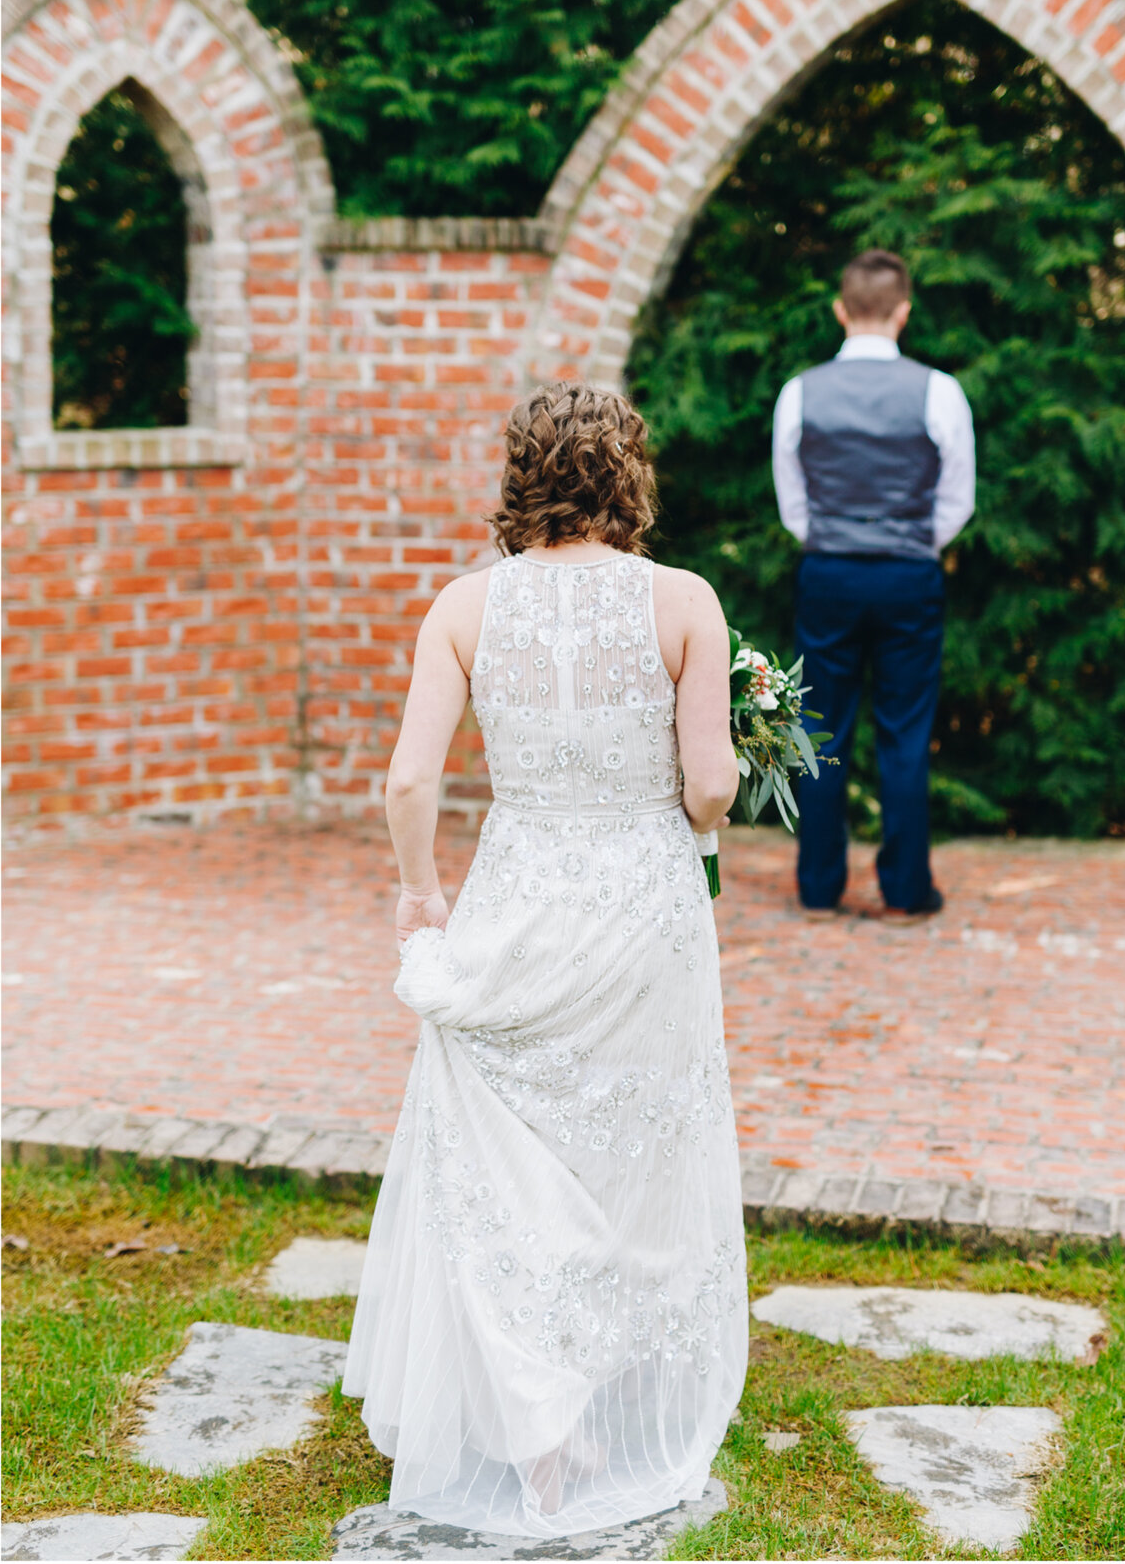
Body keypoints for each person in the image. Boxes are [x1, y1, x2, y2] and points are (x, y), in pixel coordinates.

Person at [346, 385, 747, 1538]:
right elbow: (711, 786)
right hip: (640, 908)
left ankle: (541, 1426)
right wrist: (698, 785)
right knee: (632, 1151)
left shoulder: (463, 607)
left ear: (520, 477)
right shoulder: (683, 600)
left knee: (511, 1159)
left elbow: (409, 781)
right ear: (628, 475)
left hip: (518, 898)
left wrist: (424, 892)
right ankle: (597, 1399)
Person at [772, 249, 975, 923]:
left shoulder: (800, 391)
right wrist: (915, 541)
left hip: (827, 569)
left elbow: (791, 503)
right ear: (903, 311)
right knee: (906, 731)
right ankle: (908, 891)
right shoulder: (939, 390)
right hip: (909, 572)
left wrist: (830, 539)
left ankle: (820, 886)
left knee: (820, 726)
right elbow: (959, 500)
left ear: (839, 309)